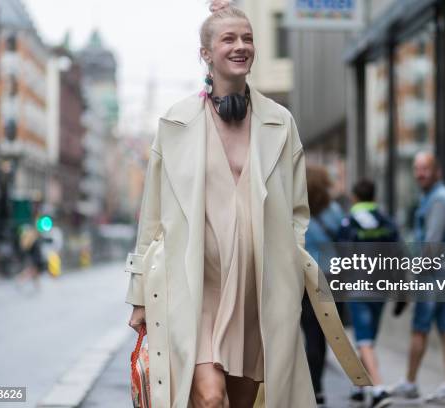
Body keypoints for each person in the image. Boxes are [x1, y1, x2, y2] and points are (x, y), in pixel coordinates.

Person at [125, 2, 368, 407]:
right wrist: (138, 295)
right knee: (209, 396)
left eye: (248, 38)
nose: (241, 46)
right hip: (195, 288)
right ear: (206, 53)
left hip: (259, 290)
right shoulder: (175, 123)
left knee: (241, 402)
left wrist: (289, 266)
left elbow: (297, 212)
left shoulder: (280, 122)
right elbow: (152, 217)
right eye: (229, 39)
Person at [390, 151, 445, 404]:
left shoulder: (439, 200)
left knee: (420, 327)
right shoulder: (432, 197)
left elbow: (432, 244)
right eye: (416, 168)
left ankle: (410, 383)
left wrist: (414, 275)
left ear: (437, 171)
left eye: (425, 168)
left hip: (435, 273)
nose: (420, 173)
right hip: (444, 271)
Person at [337, 178, 399, 408]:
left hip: (358, 287)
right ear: (374, 196)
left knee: (364, 341)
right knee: (368, 339)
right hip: (382, 287)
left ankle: (379, 389)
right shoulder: (387, 221)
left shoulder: (348, 222)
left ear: (354, 197)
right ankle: (360, 386)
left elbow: (342, 257)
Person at [300, 165, 345, 406]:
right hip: (330, 278)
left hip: (303, 277)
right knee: (320, 336)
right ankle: (317, 389)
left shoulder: (295, 211)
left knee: (304, 334)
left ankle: (306, 387)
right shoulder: (334, 211)